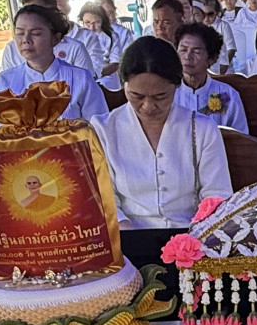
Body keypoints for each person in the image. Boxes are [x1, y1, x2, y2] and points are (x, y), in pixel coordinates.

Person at [97, 37, 234, 229]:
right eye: (137, 96)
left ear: (177, 85)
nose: (148, 106)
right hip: (126, 242)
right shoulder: (103, 129)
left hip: (193, 236)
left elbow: (217, 193)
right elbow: (105, 200)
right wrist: (132, 240)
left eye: (160, 96)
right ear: (124, 85)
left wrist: (194, 237)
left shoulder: (201, 128)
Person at [0, 3, 108, 123]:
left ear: (55, 39)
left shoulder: (80, 78)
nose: (26, 40)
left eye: (36, 33)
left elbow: (100, 126)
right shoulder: (5, 80)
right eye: (20, 33)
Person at [174, 22, 248, 131]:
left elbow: (241, 138)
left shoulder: (228, 95)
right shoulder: (168, 93)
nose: (188, 56)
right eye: (183, 50)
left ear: (212, 58)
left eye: (196, 51)